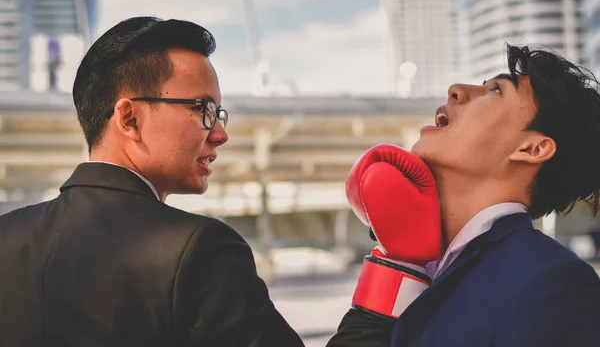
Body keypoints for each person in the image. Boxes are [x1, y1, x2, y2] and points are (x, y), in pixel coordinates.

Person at [0, 17, 303, 346]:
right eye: (205, 108)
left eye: (219, 114)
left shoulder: (7, 235)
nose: (220, 134)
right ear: (129, 118)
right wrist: (370, 299)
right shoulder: (200, 250)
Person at [328, 44, 600, 346]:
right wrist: (398, 265)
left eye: (495, 90)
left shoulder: (554, 282)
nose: (455, 90)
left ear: (532, 149)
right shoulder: (413, 261)